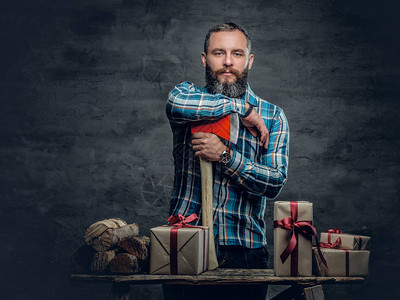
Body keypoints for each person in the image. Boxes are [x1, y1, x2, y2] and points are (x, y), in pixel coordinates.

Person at [164, 23, 289, 300]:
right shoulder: (186, 97)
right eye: (219, 53)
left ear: (250, 60)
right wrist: (241, 107)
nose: (228, 62)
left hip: (244, 248)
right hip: (185, 241)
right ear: (204, 58)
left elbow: (274, 182)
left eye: (237, 53)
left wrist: (225, 156)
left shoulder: (272, 116)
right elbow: (175, 103)